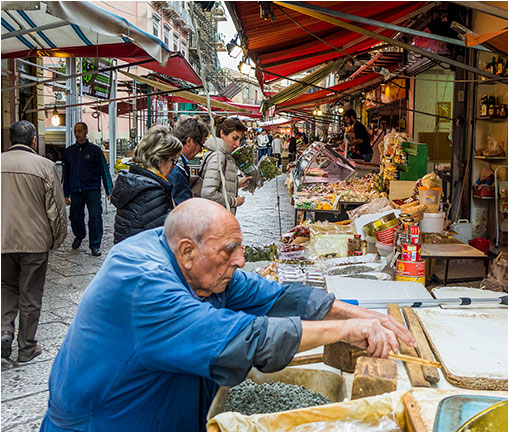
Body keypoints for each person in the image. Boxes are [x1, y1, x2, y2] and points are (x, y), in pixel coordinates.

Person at [41, 198, 416, 432]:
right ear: (188, 251)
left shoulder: (192, 262)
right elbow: (243, 340)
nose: (240, 260)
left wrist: (357, 314)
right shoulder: (144, 285)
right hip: (109, 422)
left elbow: (269, 294)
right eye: (230, 251)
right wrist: (343, 332)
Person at [1, 120, 67, 362]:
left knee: (7, 287)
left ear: (10, 140)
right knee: (30, 294)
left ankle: (4, 329)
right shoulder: (45, 166)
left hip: (3, 239)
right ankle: (27, 347)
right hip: (35, 241)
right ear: (33, 140)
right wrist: (56, 240)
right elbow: (57, 211)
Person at [110, 126, 182, 244]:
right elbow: (163, 238)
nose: (174, 166)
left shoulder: (135, 183)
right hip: (142, 259)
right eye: (173, 161)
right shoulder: (152, 193)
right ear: (160, 161)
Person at [63, 122, 113, 256]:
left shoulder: (95, 151)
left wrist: (109, 190)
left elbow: (104, 171)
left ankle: (95, 245)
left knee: (95, 217)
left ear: (86, 131)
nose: (77, 134)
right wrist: (65, 194)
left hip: (92, 189)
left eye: (79, 131)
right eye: (75, 131)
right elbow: (65, 174)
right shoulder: (69, 152)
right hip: (75, 190)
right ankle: (79, 235)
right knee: (75, 217)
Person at [201, 117, 249, 215]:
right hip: (216, 217)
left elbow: (217, 185)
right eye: (235, 138)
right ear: (222, 133)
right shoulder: (219, 156)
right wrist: (234, 201)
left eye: (240, 140)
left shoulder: (222, 155)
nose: (237, 144)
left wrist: (237, 184)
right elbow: (208, 193)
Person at [169, 115, 209, 204]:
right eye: (201, 145)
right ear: (189, 141)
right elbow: (181, 207)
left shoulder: (176, 163)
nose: (201, 150)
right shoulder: (177, 169)